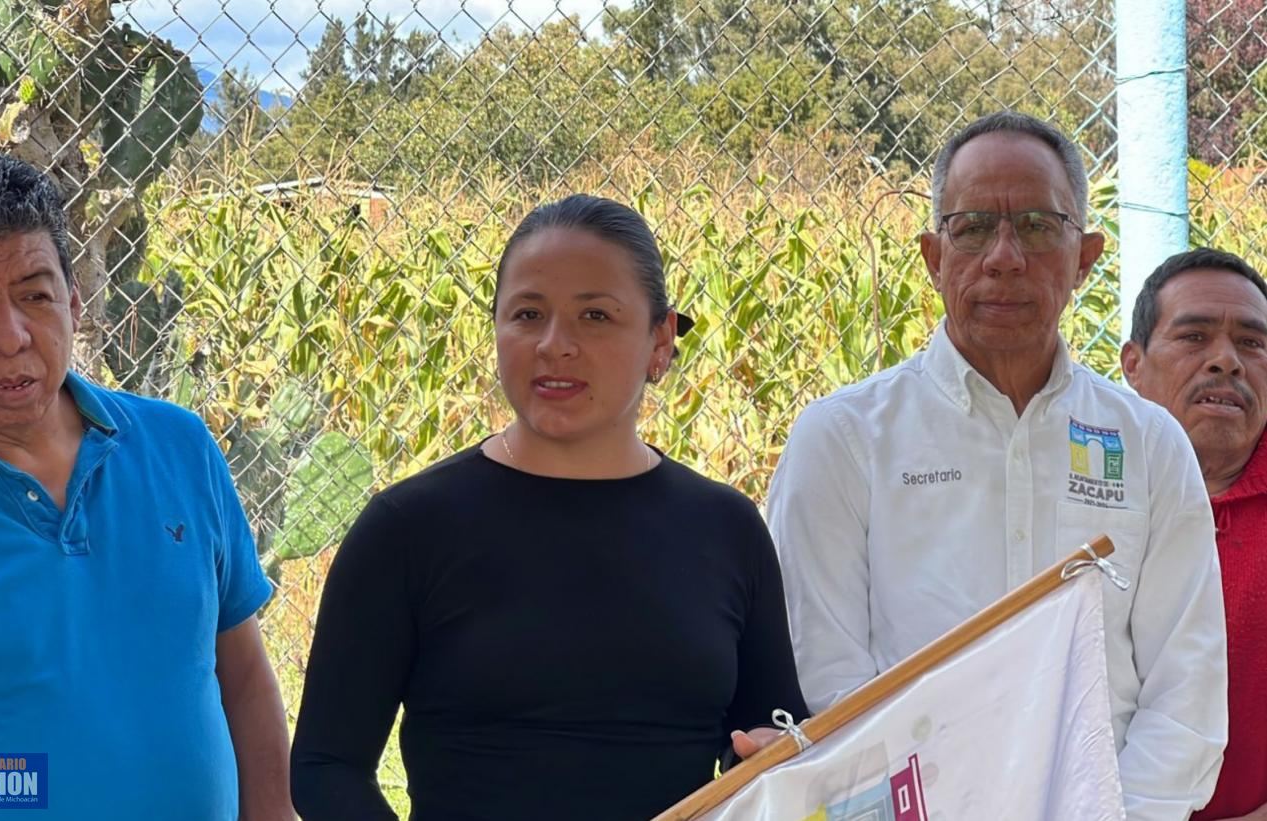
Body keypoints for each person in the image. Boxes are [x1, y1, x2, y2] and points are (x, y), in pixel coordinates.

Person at [766, 111, 1227, 821]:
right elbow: (829, 683)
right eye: (973, 227)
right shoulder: (842, 440)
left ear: (1085, 257)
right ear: (931, 255)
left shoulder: (1148, 445)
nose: (1004, 256)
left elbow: (1184, 689)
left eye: (1039, 227)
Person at [290, 194, 807, 821]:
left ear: (660, 341)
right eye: (528, 314)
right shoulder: (409, 528)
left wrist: (774, 758)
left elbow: (768, 736)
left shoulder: (727, 529)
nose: (555, 345)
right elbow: (326, 767)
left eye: (595, 315)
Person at [0, 153, 293, 819]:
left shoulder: (179, 446)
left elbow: (243, 674)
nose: (9, 335)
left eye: (35, 294)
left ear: (74, 303)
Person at [1122, 247, 1267, 821]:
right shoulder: (1072, 488)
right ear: (1133, 364)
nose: (1226, 361)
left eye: (1252, 343)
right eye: (1194, 337)